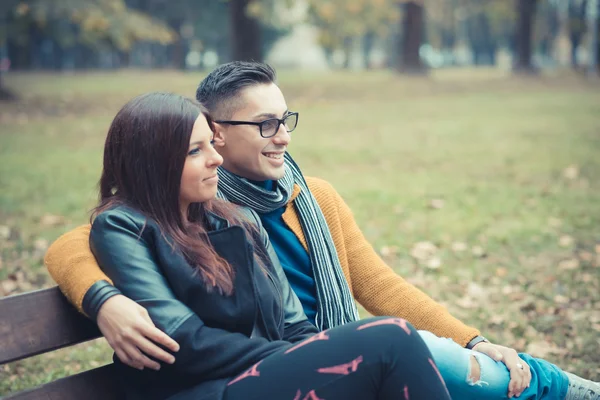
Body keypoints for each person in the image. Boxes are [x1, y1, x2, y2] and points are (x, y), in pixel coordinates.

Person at [45, 63, 599, 400]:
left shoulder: (295, 200)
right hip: (273, 368)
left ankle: (552, 383)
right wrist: (103, 299)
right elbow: (84, 239)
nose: (282, 136)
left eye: (285, 119)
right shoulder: (166, 209)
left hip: (316, 349)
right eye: (264, 124)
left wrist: (474, 338)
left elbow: (381, 285)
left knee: (442, 352)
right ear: (216, 132)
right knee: (399, 342)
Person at [83, 91, 450, 400]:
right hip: (199, 390)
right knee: (391, 338)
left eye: (211, 144)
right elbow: (182, 340)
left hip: (263, 378)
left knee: (386, 355)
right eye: (195, 151)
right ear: (153, 164)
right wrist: (300, 358)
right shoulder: (121, 226)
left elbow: (294, 324)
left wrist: (307, 355)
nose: (215, 158)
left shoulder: (237, 219)